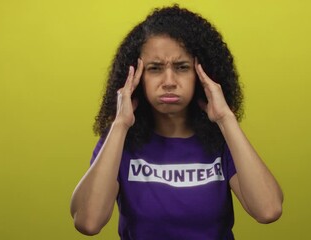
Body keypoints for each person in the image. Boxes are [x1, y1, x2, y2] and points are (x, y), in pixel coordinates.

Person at [70, 5, 283, 239]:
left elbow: (268, 210)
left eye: (182, 67)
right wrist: (119, 124)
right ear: (137, 77)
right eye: (155, 68)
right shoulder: (120, 143)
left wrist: (226, 119)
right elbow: (88, 222)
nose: (169, 81)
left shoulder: (222, 140)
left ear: (202, 75)